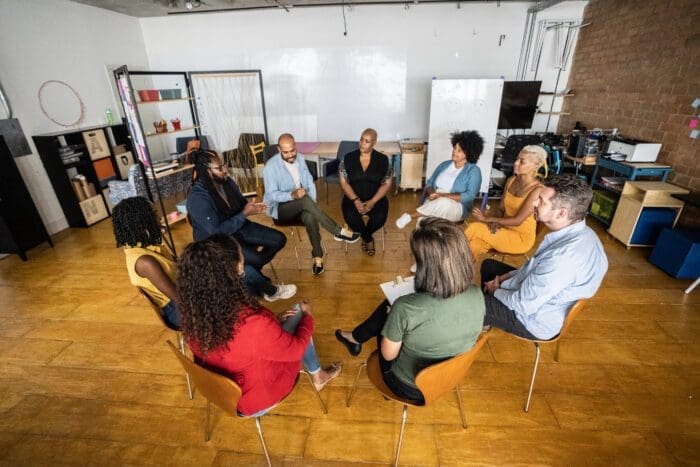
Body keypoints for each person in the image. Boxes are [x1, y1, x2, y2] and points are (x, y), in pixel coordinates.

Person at [177, 237, 342, 417]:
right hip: (256, 399)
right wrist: (308, 317)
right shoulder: (254, 323)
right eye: (241, 256)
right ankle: (319, 376)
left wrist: (273, 324)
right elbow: (296, 350)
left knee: (292, 318)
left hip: (221, 393)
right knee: (299, 314)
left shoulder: (194, 315)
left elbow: (239, 343)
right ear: (238, 268)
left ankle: (318, 374)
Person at [335, 217, 485, 404]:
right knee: (393, 311)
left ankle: (356, 338)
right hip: (450, 375)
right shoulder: (477, 294)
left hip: (410, 386)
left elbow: (388, 355)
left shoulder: (405, 307)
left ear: (426, 265)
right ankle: (356, 337)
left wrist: (393, 321)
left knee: (387, 316)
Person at [481, 174, 608, 340]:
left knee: (467, 303)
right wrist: (503, 278)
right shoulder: (584, 232)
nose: (534, 203)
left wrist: (496, 290)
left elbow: (520, 305)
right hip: (538, 298)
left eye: (541, 201)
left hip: (531, 319)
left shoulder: (563, 259)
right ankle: (484, 317)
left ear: (561, 213)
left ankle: (478, 314)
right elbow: (534, 268)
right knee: (489, 266)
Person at [186, 149, 295, 302]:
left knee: (279, 239)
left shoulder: (226, 182)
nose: (225, 170)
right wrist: (244, 214)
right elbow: (216, 232)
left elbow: (241, 204)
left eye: (224, 165)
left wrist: (255, 208)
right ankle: (263, 286)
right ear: (206, 171)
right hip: (217, 242)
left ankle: (253, 279)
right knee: (254, 260)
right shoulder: (197, 197)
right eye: (219, 168)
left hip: (239, 227)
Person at [263, 133, 360, 275]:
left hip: (301, 204)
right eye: (286, 152)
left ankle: (317, 256)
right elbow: (271, 195)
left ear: (295, 147)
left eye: (292, 150)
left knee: (310, 216)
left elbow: (309, 182)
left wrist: (311, 205)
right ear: (279, 149)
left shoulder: (300, 159)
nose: (290, 155)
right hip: (280, 209)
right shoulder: (270, 167)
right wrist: (291, 195)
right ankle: (337, 231)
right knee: (304, 200)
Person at [465, 145, 547, 260]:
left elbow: (517, 221)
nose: (516, 163)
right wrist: (495, 222)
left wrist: (487, 219)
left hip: (520, 239)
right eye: (517, 159)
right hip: (503, 229)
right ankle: (457, 275)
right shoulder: (511, 180)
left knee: (474, 228)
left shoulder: (537, 190)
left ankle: (444, 261)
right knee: (474, 245)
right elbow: (501, 209)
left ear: (536, 166)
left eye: (522, 162)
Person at [112, 196, 180, 328]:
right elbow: (179, 299)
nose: (159, 217)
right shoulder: (145, 262)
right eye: (154, 214)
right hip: (177, 310)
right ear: (142, 222)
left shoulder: (144, 246)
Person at [396, 130, 483, 229]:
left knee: (443, 203)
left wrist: (442, 195)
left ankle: (411, 216)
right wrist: (432, 193)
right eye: (455, 148)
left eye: (459, 150)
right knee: (423, 222)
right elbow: (430, 183)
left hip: (457, 205)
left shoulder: (474, 171)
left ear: (469, 154)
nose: (454, 151)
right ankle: (421, 242)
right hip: (435, 199)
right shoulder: (445, 164)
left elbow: (469, 196)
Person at [339, 128, 393, 256]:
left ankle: (364, 235)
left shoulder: (383, 160)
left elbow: (387, 183)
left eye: (367, 141)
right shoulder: (347, 158)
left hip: (376, 198)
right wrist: (356, 201)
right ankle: (368, 239)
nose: (362, 143)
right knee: (351, 218)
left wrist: (372, 201)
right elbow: (344, 183)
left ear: (374, 143)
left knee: (380, 218)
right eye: (361, 139)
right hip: (352, 198)